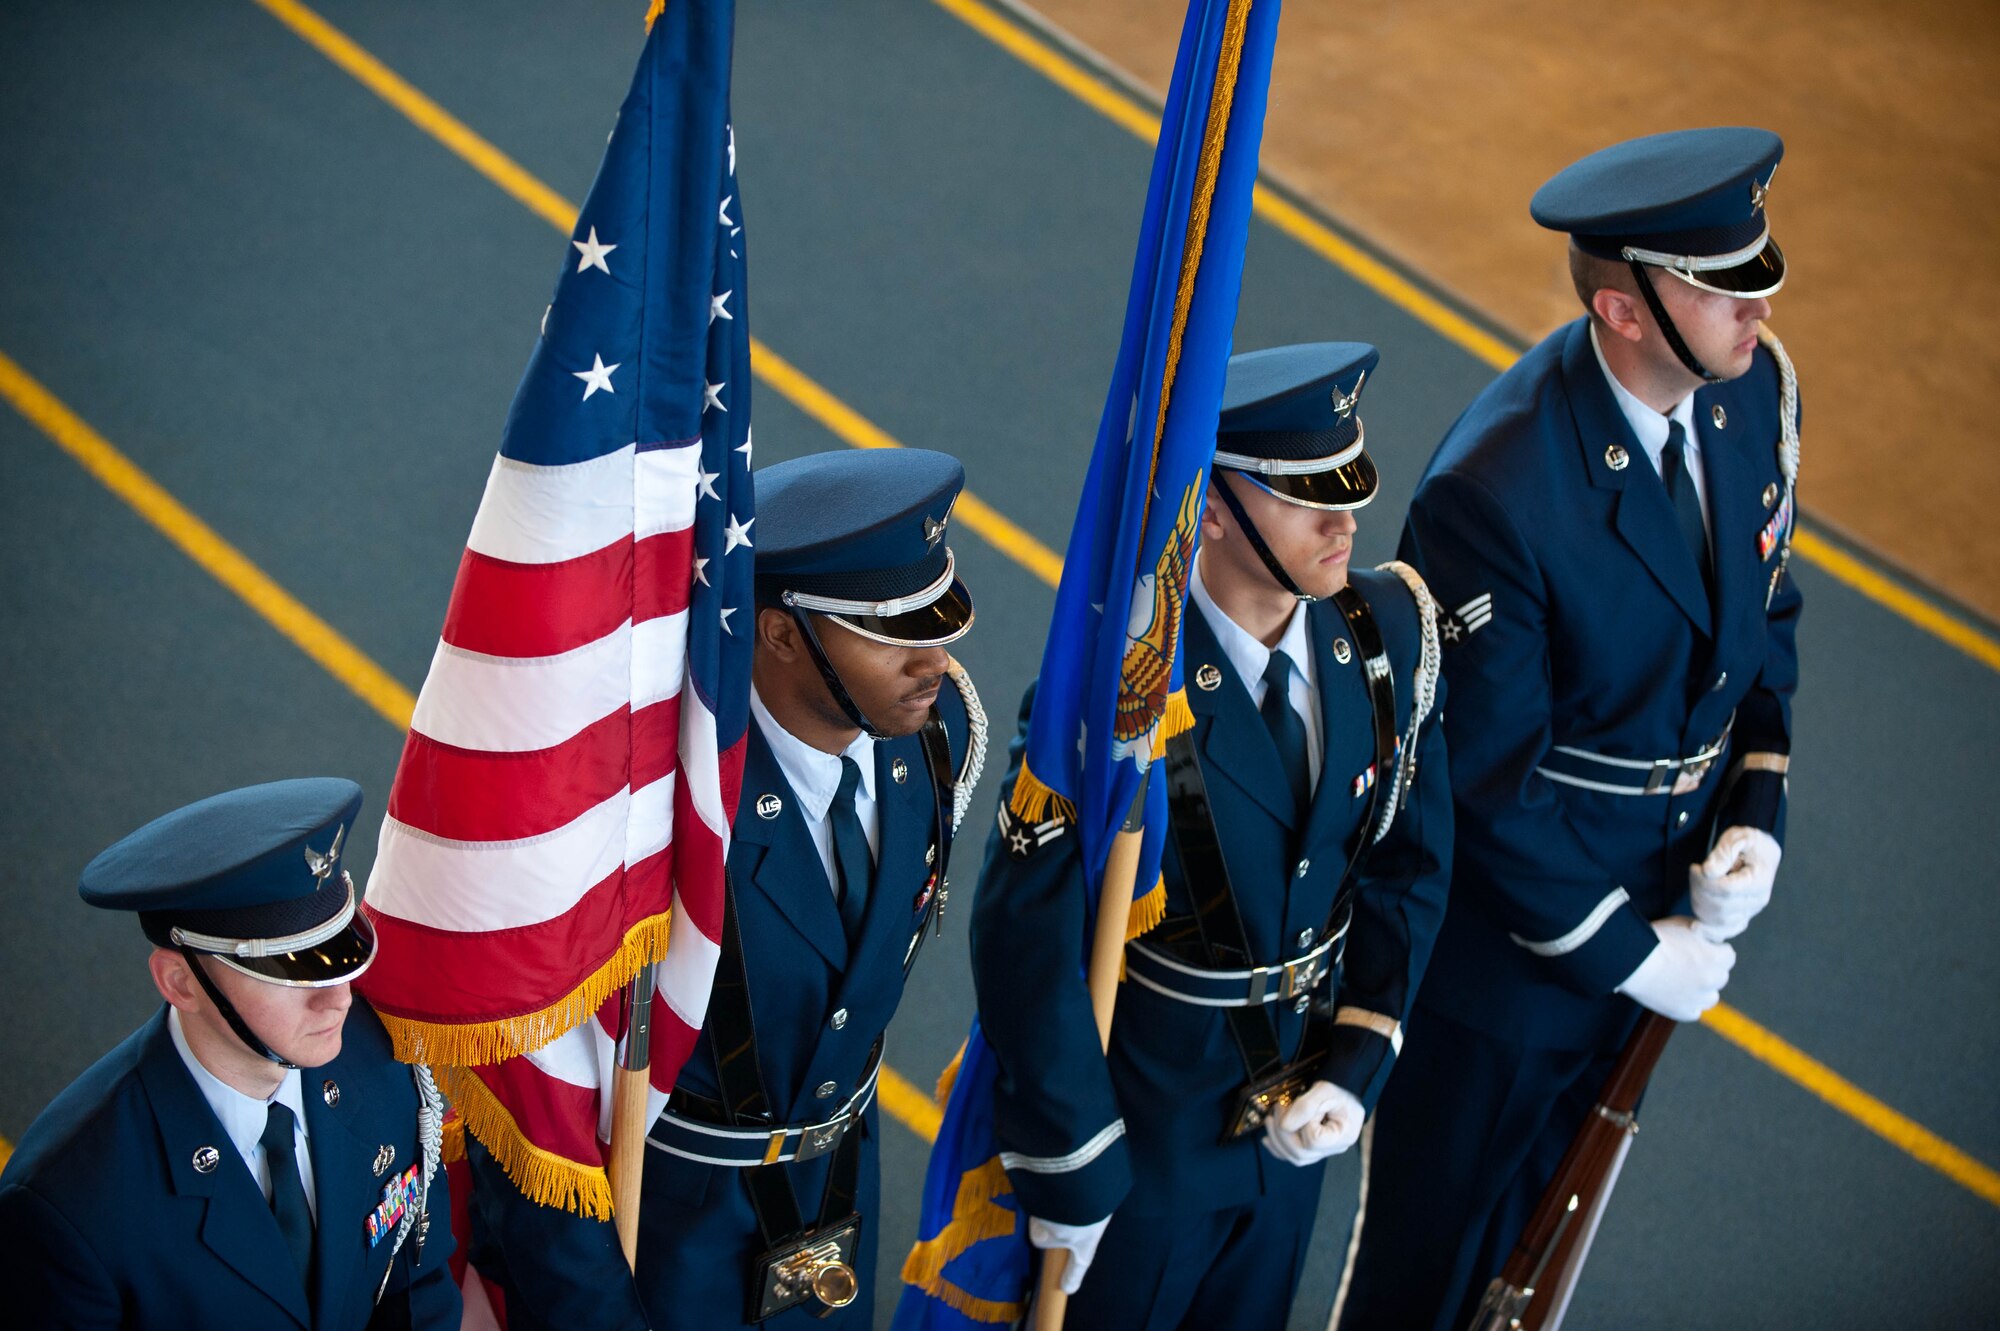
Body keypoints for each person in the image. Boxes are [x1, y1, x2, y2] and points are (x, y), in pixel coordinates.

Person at [1335, 127, 1803, 1329]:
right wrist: (1628, 953)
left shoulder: (1753, 393)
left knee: (1541, 1275)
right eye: (1721, 289)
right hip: (1512, 972)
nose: (1755, 312)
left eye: (1758, 277)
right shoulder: (1495, 491)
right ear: (1623, 307)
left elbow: (1763, 605)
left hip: (1665, 903)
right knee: (1430, 1283)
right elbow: (1481, 782)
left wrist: (1754, 806)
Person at [971, 344, 1452, 1330]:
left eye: (1348, 484)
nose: (1343, 519)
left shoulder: (1384, 632)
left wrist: (1357, 1063)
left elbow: (1408, 861)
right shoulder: (1116, 691)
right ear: (1215, 507)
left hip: (1294, 1131)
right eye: (1303, 494)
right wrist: (1071, 1167)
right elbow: (1026, 946)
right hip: (1142, 1149)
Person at [465, 447, 986, 1329]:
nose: (931, 660)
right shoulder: (643, 823)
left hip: (838, 1201)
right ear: (782, 633)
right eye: (891, 633)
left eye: (935, 624)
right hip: (670, 1241)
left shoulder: (938, 738)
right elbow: (537, 1097)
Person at [0, 777, 459, 1330]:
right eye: (291, 972)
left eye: (339, 952)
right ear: (180, 982)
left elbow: (418, 1288)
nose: (338, 999)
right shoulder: (70, 1205)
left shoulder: (383, 1063)